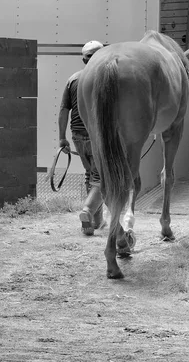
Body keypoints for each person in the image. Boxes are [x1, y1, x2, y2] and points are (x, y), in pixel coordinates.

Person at [58, 40, 106, 236]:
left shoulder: (73, 79)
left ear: (83, 59)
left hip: (77, 135)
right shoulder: (105, 80)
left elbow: (63, 110)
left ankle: (96, 222)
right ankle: (87, 210)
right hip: (98, 136)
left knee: (91, 176)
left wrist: (62, 138)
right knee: (103, 179)